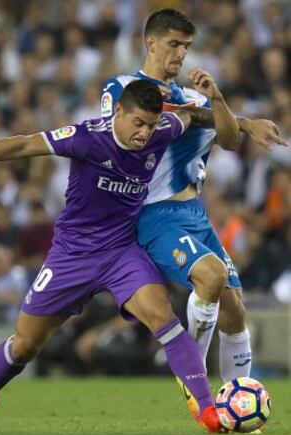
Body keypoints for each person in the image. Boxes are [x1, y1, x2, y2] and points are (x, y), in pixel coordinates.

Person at [0, 77, 239, 434]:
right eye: (138, 123)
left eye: (151, 124)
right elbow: (24, 146)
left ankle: (207, 412)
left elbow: (194, 117)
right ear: (118, 112)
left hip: (121, 252)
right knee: (24, 346)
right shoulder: (85, 137)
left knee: (162, 315)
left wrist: (238, 120)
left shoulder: (163, 129)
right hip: (72, 255)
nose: (145, 133)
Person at [100, 9, 288, 398]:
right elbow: (121, 140)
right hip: (155, 213)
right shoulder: (123, 88)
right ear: (150, 43)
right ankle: (193, 377)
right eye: (173, 44)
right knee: (211, 277)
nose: (181, 53)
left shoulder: (195, 97)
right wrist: (186, 110)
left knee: (235, 308)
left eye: (186, 46)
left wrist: (219, 100)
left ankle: (238, 398)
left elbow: (228, 138)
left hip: (194, 213)